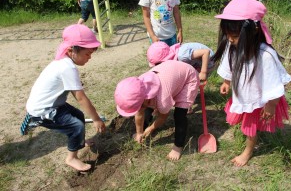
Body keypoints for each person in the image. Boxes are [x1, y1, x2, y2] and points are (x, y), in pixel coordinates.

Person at [212, 0, 291, 167]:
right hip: (243, 94)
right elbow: (229, 65)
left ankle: (248, 151)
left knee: (251, 126)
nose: (230, 39)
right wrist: (226, 81)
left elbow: (275, 85)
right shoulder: (232, 46)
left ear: (254, 30)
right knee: (245, 120)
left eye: (233, 35)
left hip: (259, 100)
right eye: (227, 35)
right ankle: (250, 141)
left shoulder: (265, 55)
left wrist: (270, 105)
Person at [21, 24, 106, 172]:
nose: (89, 58)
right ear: (71, 50)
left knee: (78, 116)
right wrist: (97, 119)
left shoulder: (64, 62)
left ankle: (78, 141)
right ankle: (71, 158)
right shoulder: (67, 68)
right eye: (87, 54)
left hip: (52, 104)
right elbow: (80, 98)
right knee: (76, 126)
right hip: (43, 110)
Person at [114, 60, 199, 160]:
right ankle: (142, 130)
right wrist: (139, 132)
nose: (138, 109)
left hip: (188, 78)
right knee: (145, 109)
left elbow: (163, 117)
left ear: (145, 97)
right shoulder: (139, 86)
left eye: (139, 106)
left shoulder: (162, 99)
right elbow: (139, 113)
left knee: (179, 115)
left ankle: (178, 146)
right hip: (172, 72)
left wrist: (151, 129)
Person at [147, 41, 215, 81]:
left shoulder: (182, 55)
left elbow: (206, 52)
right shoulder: (174, 53)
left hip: (208, 62)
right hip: (196, 62)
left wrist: (203, 72)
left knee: (188, 80)